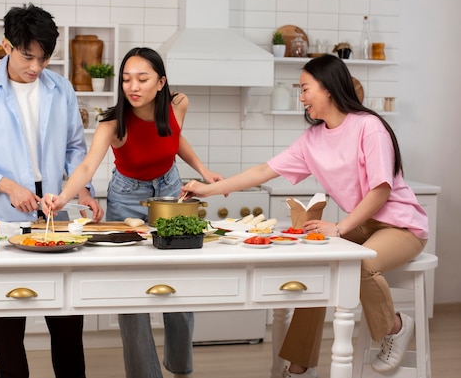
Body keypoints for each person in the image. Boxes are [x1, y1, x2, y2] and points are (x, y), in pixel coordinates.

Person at [180, 54, 429, 378]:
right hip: (364, 223)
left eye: (304, 88)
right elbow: (263, 170)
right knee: (316, 267)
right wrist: (209, 189)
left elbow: (380, 190)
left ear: (328, 88)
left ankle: (393, 327)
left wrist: (339, 228)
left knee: (361, 265)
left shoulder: (370, 127)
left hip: (401, 225)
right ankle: (300, 369)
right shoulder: (313, 140)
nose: (300, 97)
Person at [42, 47, 222, 378]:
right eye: (126, 79)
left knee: (179, 281)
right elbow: (86, 166)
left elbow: (176, 139)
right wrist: (63, 196)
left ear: (160, 82)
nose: (133, 86)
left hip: (170, 191)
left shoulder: (178, 104)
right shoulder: (113, 123)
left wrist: (203, 170)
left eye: (142, 78)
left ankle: (181, 367)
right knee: (131, 292)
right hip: (127, 198)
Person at [0, 3, 103, 378]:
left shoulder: (60, 88)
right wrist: (7, 186)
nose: (36, 67)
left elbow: (74, 148)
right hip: (5, 217)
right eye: (27, 55)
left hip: (57, 214)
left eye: (44, 58)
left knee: (67, 317)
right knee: (7, 319)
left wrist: (82, 190)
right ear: (6, 45)